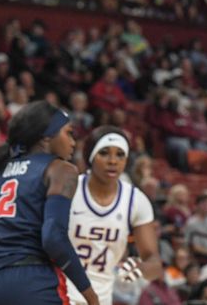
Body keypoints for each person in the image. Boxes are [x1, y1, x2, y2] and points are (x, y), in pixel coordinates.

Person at [0, 101, 99, 305]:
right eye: (68, 133)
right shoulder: (61, 169)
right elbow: (53, 237)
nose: (73, 142)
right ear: (46, 137)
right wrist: (91, 295)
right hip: (32, 282)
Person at [66, 126, 162, 304]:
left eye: (120, 155)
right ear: (91, 157)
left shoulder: (136, 200)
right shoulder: (69, 189)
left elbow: (154, 262)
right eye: (104, 153)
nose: (113, 161)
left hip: (100, 297)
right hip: (60, 292)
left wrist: (141, 268)